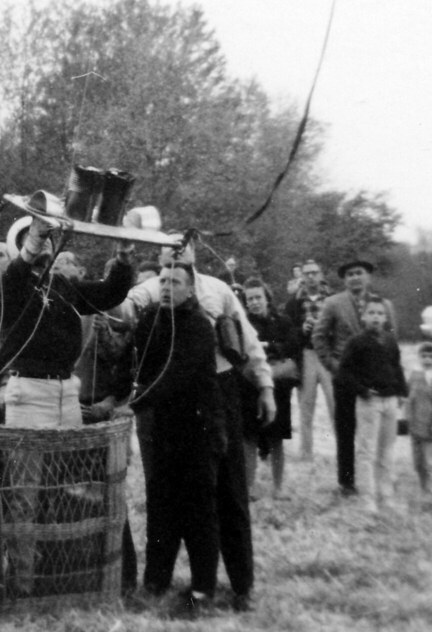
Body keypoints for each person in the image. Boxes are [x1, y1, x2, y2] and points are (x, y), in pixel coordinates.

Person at [124, 235, 275, 611]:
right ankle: (158, 581)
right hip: (164, 404)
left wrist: (266, 385)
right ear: (159, 257)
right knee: (164, 494)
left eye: (182, 249)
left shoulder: (220, 290)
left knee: (228, 497)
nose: (175, 256)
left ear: (194, 257)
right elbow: (127, 310)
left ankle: (240, 585)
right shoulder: (153, 289)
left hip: (217, 395)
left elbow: (249, 340)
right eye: (168, 252)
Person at [130, 263, 225, 612]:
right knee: (160, 507)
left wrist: (135, 404)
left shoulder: (200, 326)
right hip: (164, 430)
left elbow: (175, 375)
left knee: (199, 512)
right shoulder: (153, 318)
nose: (167, 287)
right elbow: (140, 362)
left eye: (175, 282)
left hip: (199, 430)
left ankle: (203, 589)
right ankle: (156, 582)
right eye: (163, 281)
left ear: (190, 289)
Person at [0, 220, 134, 428]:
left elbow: (109, 293)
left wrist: (124, 257)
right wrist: (32, 246)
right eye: (35, 236)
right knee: (29, 460)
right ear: (20, 245)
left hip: (68, 390)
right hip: (29, 390)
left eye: (47, 238)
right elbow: (10, 282)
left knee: (69, 459)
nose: (44, 242)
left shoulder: (61, 284)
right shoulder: (10, 283)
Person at [313, 258, 397, 497]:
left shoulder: (383, 305)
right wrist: (334, 366)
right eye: (349, 274)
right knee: (346, 429)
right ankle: (347, 483)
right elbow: (319, 337)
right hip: (346, 378)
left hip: (376, 379)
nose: (355, 278)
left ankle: (380, 481)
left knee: (377, 432)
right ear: (344, 279)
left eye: (359, 273)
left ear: (368, 276)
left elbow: (391, 340)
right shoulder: (333, 303)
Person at [338, 298, 407, 513]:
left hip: (390, 400)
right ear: (364, 316)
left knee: (387, 450)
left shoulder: (390, 340)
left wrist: (402, 391)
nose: (376, 317)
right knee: (367, 450)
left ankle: (385, 495)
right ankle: (368, 498)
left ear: (385, 317)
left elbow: (396, 367)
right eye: (372, 313)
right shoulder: (356, 342)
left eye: (380, 313)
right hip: (370, 401)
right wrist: (362, 390)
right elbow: (344, 372)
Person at [243, 279, 301, 500]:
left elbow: (293, 346)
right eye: (250, 299)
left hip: (279, 387)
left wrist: (269, 346)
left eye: (258, 297)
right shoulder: (243, 322)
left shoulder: (283, 321)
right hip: (251, 386)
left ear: (267, 298)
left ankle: (278, 487)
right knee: (249, 437)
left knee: (277, 438)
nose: (255, 302)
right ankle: (249, 487)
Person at [285, 258, 333, 460]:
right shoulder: (294, 302)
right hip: (306, 354)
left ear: (321, 275)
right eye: (307, 273)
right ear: (302, 277)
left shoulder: (332, 299)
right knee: (306, 406)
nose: (311, 276)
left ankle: (346, 451)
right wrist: (300, 329)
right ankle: (306, 453)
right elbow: (287, 332)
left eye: (315, 272)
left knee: (336, 404)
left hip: (328, 355)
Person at [404, 342, 432, 497]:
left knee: (430, 462)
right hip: (415, 426)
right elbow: (408, 395)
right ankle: (424, 490)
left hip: (430, 427)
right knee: (418, 463)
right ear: (419, 358)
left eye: (431, 357)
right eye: (424, 356)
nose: (427, 360)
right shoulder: (415, 374)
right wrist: (406, 413)